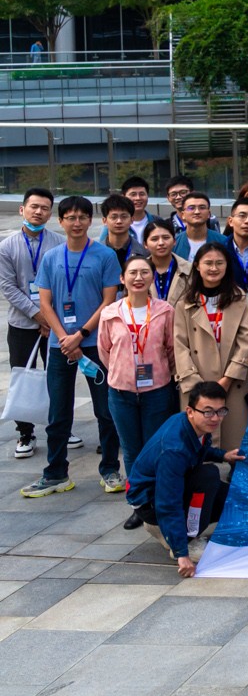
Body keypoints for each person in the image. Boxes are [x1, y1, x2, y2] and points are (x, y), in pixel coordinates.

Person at [23, 195, 127, 497]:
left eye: (82, 217)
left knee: (105, 410)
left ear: (90, 221)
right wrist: (64, 338)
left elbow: (109, 301)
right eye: (71, 217)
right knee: (58, 413)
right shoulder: (51, 257)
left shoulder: (105, 255)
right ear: (61, 221)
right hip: (60, 347)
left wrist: (80, 334)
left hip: (96, 343)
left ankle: (110, 469)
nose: (77, 223)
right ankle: (56, 473)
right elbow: (45, 302)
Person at [125, 381, 246, 577]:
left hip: (165, 489)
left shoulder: (191, 425)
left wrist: (223, 455)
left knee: (232, 500)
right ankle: (188, 540)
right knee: (208, 477)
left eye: (220, 411)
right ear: (190, 411)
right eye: (208, 412)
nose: (215, 418)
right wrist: (181, 553)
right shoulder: (173, 450)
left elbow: (198, 449)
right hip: (151, 503)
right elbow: (168, 502)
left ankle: (164, 529)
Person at [92, 254, 179, 519]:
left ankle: (156, 501)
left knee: (155, 448)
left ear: (152, 277)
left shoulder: (165, 311)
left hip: (157, 391)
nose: (138, 278)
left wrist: (161, 372)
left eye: (144, 272)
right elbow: (105, 351)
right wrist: (123, 372)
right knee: (131, 450)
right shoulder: (110, 313)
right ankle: (138, 505)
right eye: (132, 273)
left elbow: (171, 349)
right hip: (121, 393)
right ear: (122, 278)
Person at [170, 242, 248, 453]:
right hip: (196, 383)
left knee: (234, 441)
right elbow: (180, 346)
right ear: (197, 266)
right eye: (208, 263)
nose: (214, 268)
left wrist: (227, 379)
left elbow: (245, 342)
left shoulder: (239, 299)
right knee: (198, 444)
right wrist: (198, 386)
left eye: (219, 263)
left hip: (232, 383)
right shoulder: (185, 303)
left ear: (227, 266)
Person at [0, 187, 53, 459]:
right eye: (34, 206)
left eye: (44, 208)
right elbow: (7, 287)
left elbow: (62, 283)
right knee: (21, 375)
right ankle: (25, 432)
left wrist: (49, 317)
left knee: (58, 375)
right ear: (22, 209)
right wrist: (37, 314)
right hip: (22, 324)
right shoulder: (6, 246)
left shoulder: (58, 243)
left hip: (55, 325)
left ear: (50, 213)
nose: (38, 212)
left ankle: (60, 427)